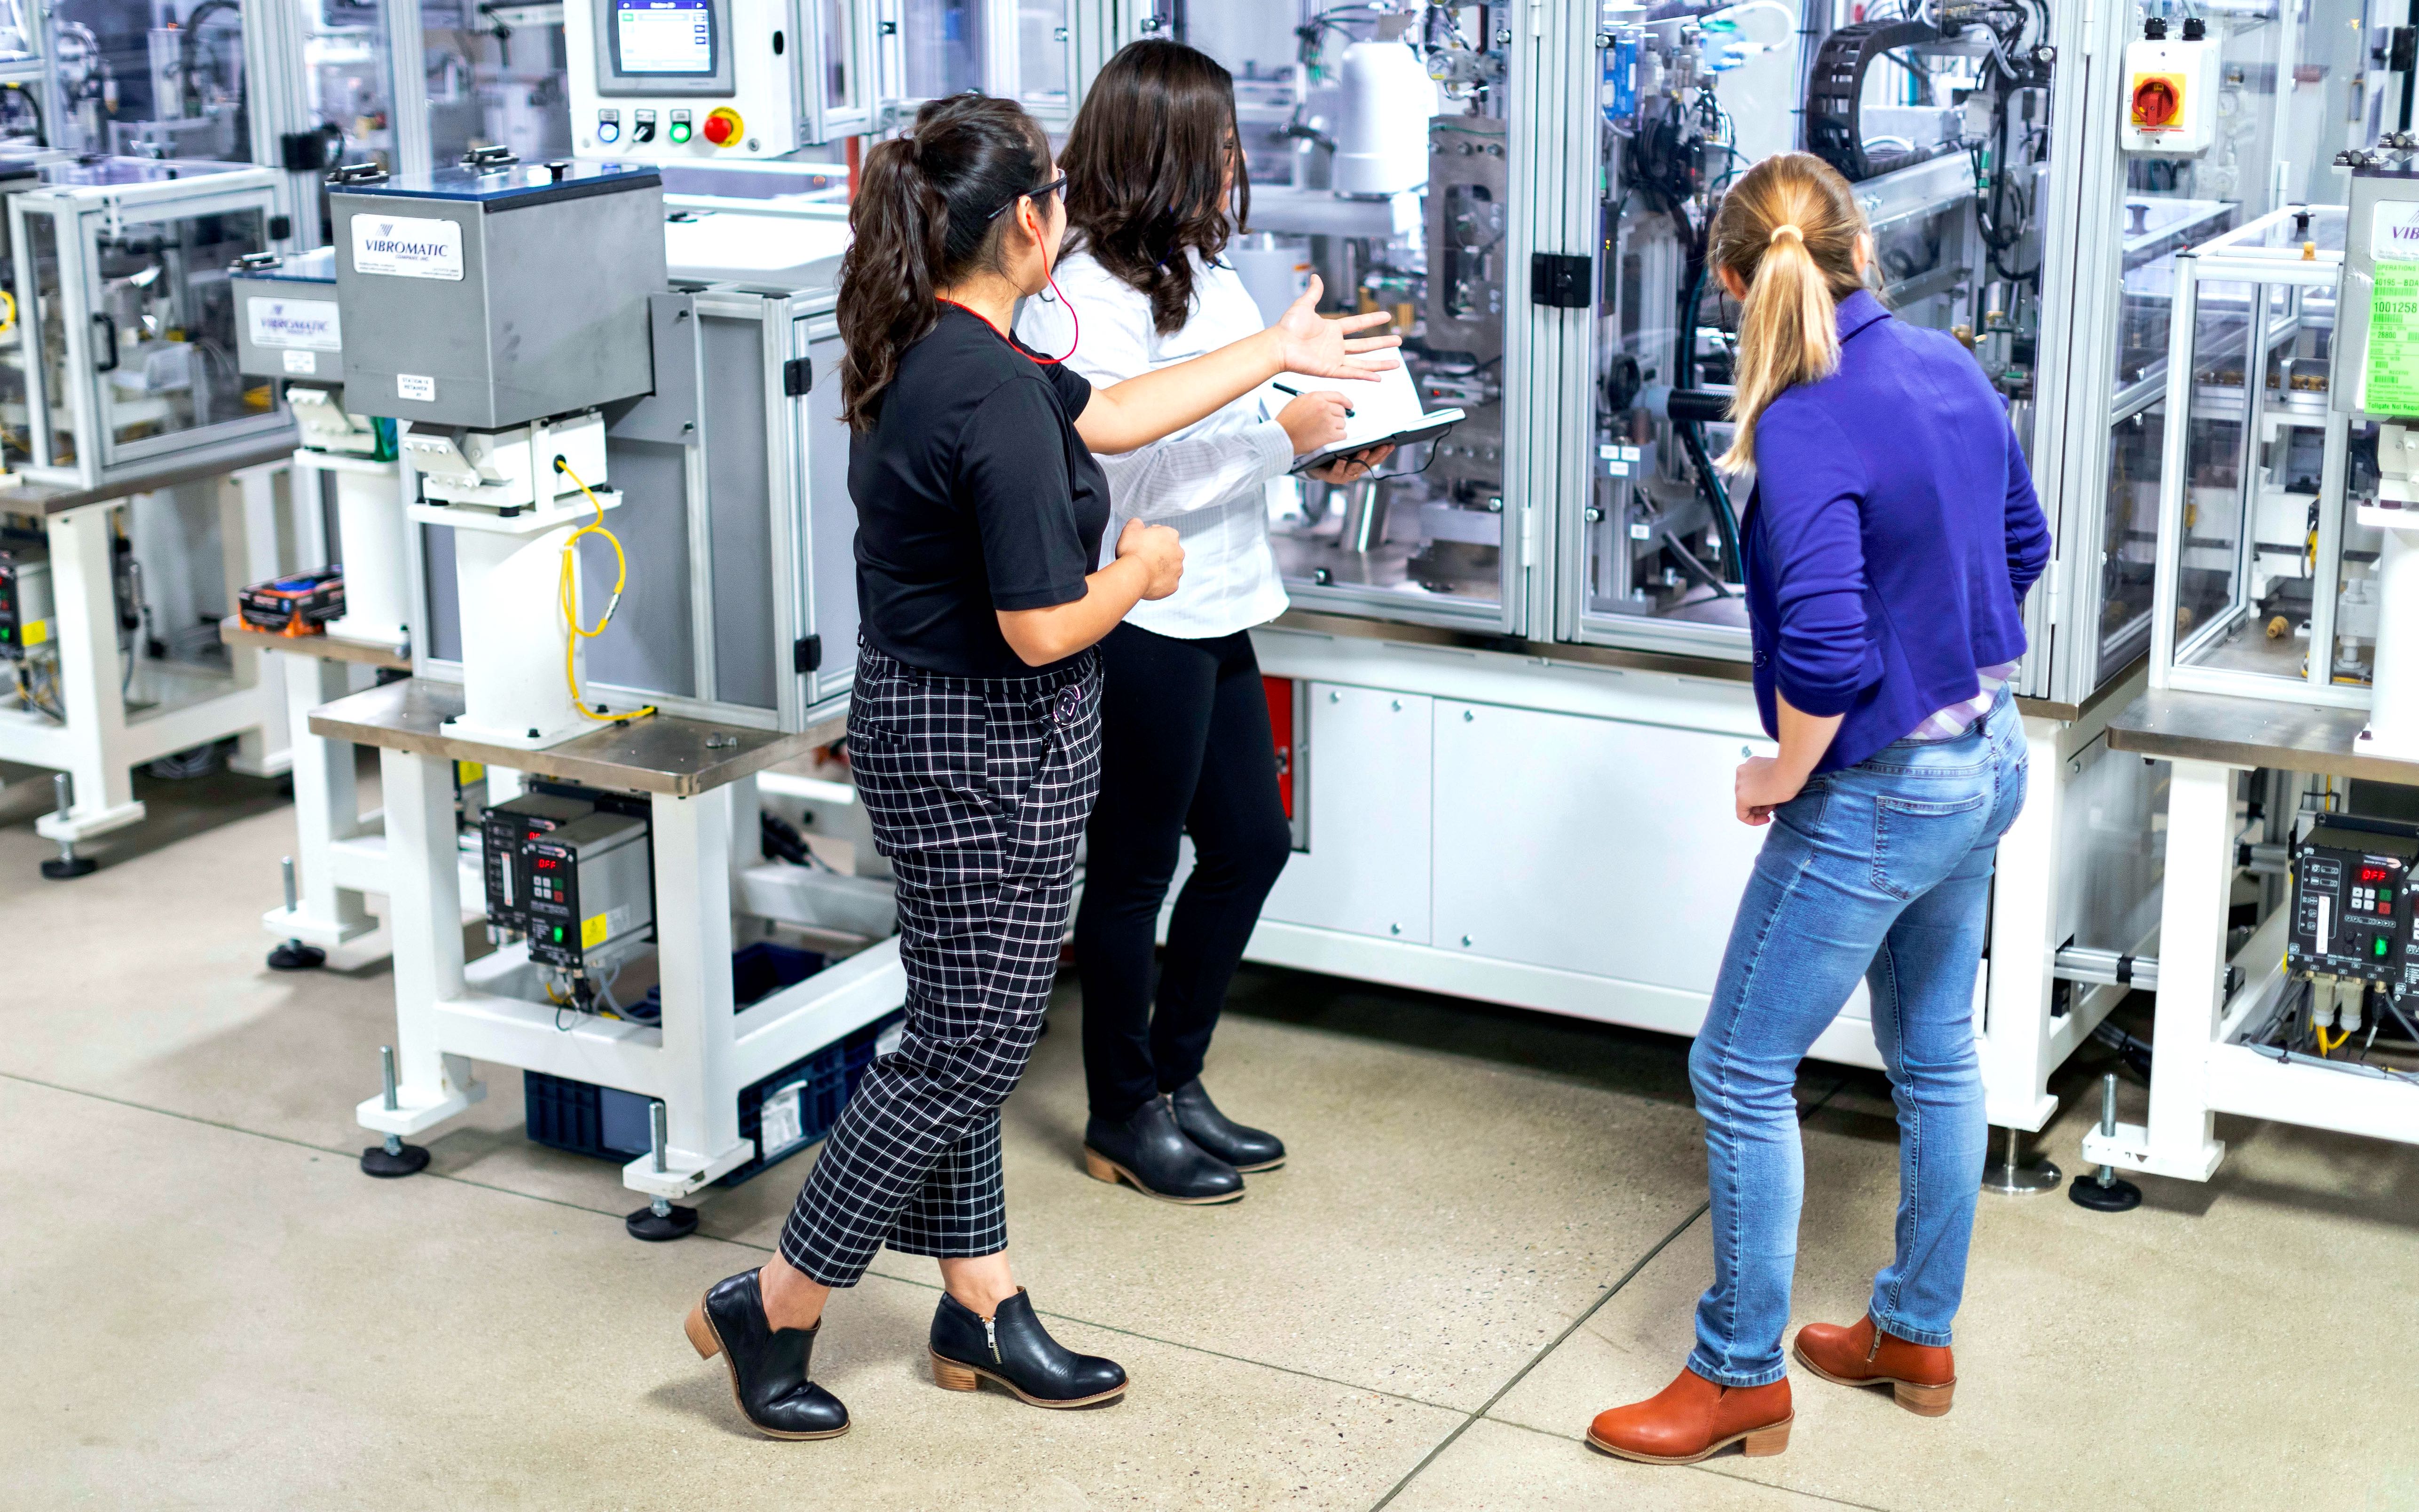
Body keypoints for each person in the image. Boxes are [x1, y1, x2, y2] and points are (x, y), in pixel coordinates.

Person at [679, 92, 1398, 1441]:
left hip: (935, 726)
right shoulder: (993, 393)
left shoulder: (939, 344)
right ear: (1023, 223)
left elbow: (1115, 415)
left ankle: (979, 1304)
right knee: (963, 1054)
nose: (1067, 213)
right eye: (1055, 194)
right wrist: (1138, 571)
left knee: (962, 1034)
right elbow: (1041, 625)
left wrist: (1275, 352)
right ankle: (773, 1301)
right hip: (980, 747)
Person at [1586, 152, 2051, 1466]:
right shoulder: (1949, 364)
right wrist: (1941, 664)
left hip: (1878, 797)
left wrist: (1780, 773)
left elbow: (1831, 652)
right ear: (1867, 252)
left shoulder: (1798, 422)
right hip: (1986, 758)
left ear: (1734, 286)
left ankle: (1737, 1377)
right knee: (1936, 1056)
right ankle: (1914, 1333)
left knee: (1738, 1069)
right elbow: (2022, 549)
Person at [1016, 39, 1392, 1205]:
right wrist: (1277, 442)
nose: (1234, 162)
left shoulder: (1200, 267)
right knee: (1133, 872)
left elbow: (1244, 411)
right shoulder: (1083, 296)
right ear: (1165, 149)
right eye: (1218, 143)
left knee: (1248, 846)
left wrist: (1323, 442)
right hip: (1139, 611)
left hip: (1219, 595)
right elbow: (1121, 476)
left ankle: (1175, 1079)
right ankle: (1119, 1112)